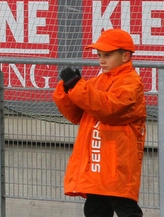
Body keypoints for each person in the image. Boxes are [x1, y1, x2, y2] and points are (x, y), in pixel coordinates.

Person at [53, 28, 146, 217]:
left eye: (107, 55)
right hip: (97, 164)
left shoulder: (131, 83)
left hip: (116, 165)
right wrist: (66, 90)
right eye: (99, 55)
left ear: (126, 56)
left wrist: (78, 88)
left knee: (125, 209)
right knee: (95, 210)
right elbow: (76, 115)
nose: (101, 60)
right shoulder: (97, 82)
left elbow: (108, 108)